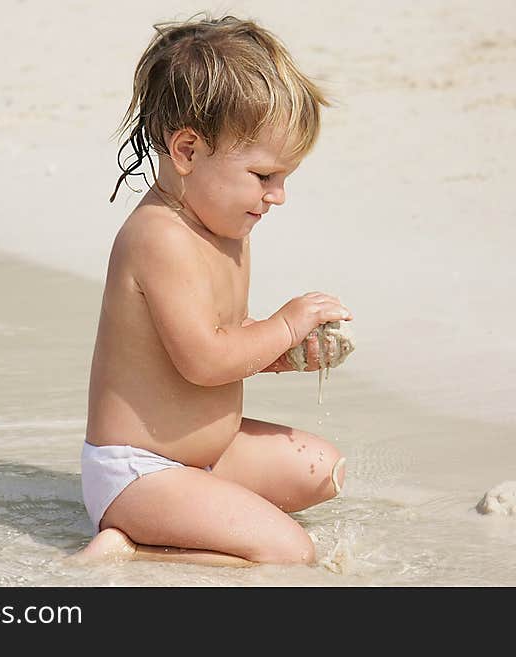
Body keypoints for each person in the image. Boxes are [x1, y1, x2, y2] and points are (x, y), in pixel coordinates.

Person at [73, 13, 351, 567]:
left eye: (284, 180)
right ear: (187, 152)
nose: (277, 197)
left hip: (207, 453)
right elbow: (203, 361)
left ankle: (195, 517)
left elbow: (225, 337)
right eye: (264, 176)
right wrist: (285, 325)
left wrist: (282, 354)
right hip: (141, 472)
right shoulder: (160, 237)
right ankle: (134, 548)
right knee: (291, 555)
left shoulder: (224, 223)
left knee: (325, 472)